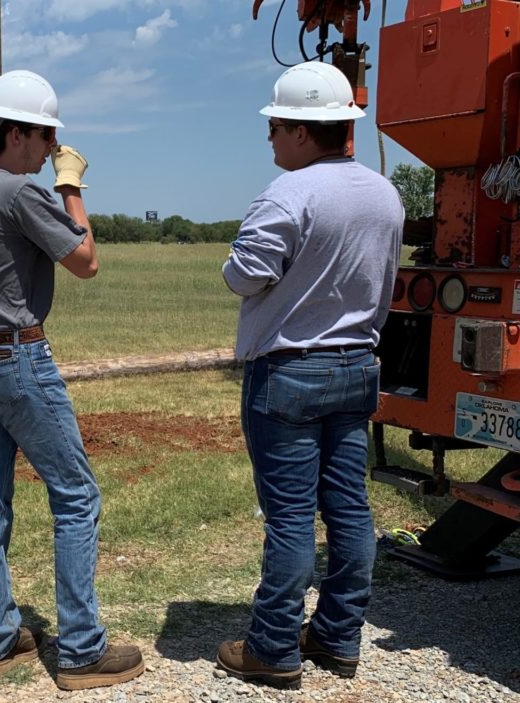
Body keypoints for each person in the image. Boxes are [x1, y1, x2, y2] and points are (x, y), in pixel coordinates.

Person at [0, 69, 144, 691]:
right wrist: (72, 186)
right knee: (77, 497)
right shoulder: (24, 193)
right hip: (21, 359)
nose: (52, 147)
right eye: (48, 137)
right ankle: (80, 651)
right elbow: (87, 261)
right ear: (18, 134)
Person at [215, 61, 404, 689]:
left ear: (300, 130)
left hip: (290, 369)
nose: (269, 138)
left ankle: (273, 647)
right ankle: (338, 636)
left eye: (274, 126)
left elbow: (245, 275)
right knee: (349, 508)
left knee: (291, 516)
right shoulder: (385, 193)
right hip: (357, 366)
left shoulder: (287, 194)